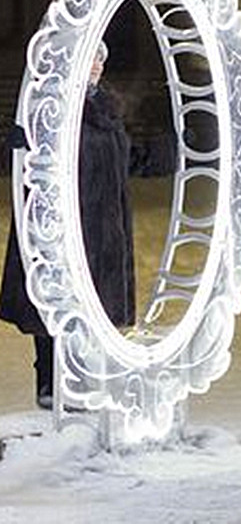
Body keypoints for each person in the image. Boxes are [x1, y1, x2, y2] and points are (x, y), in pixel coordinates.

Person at [0, 41, 135, 409]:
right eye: (89, 55)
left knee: (92, 311)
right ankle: (49, 383)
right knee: (53, 304)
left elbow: (127, 161)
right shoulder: (49, 106)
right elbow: (22, 160)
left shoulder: (106, 110)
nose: (95, 65)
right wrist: (17, 148)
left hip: (103, 231)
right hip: (59, 227)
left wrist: (174, 149)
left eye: (100, 58)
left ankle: (82, 382)